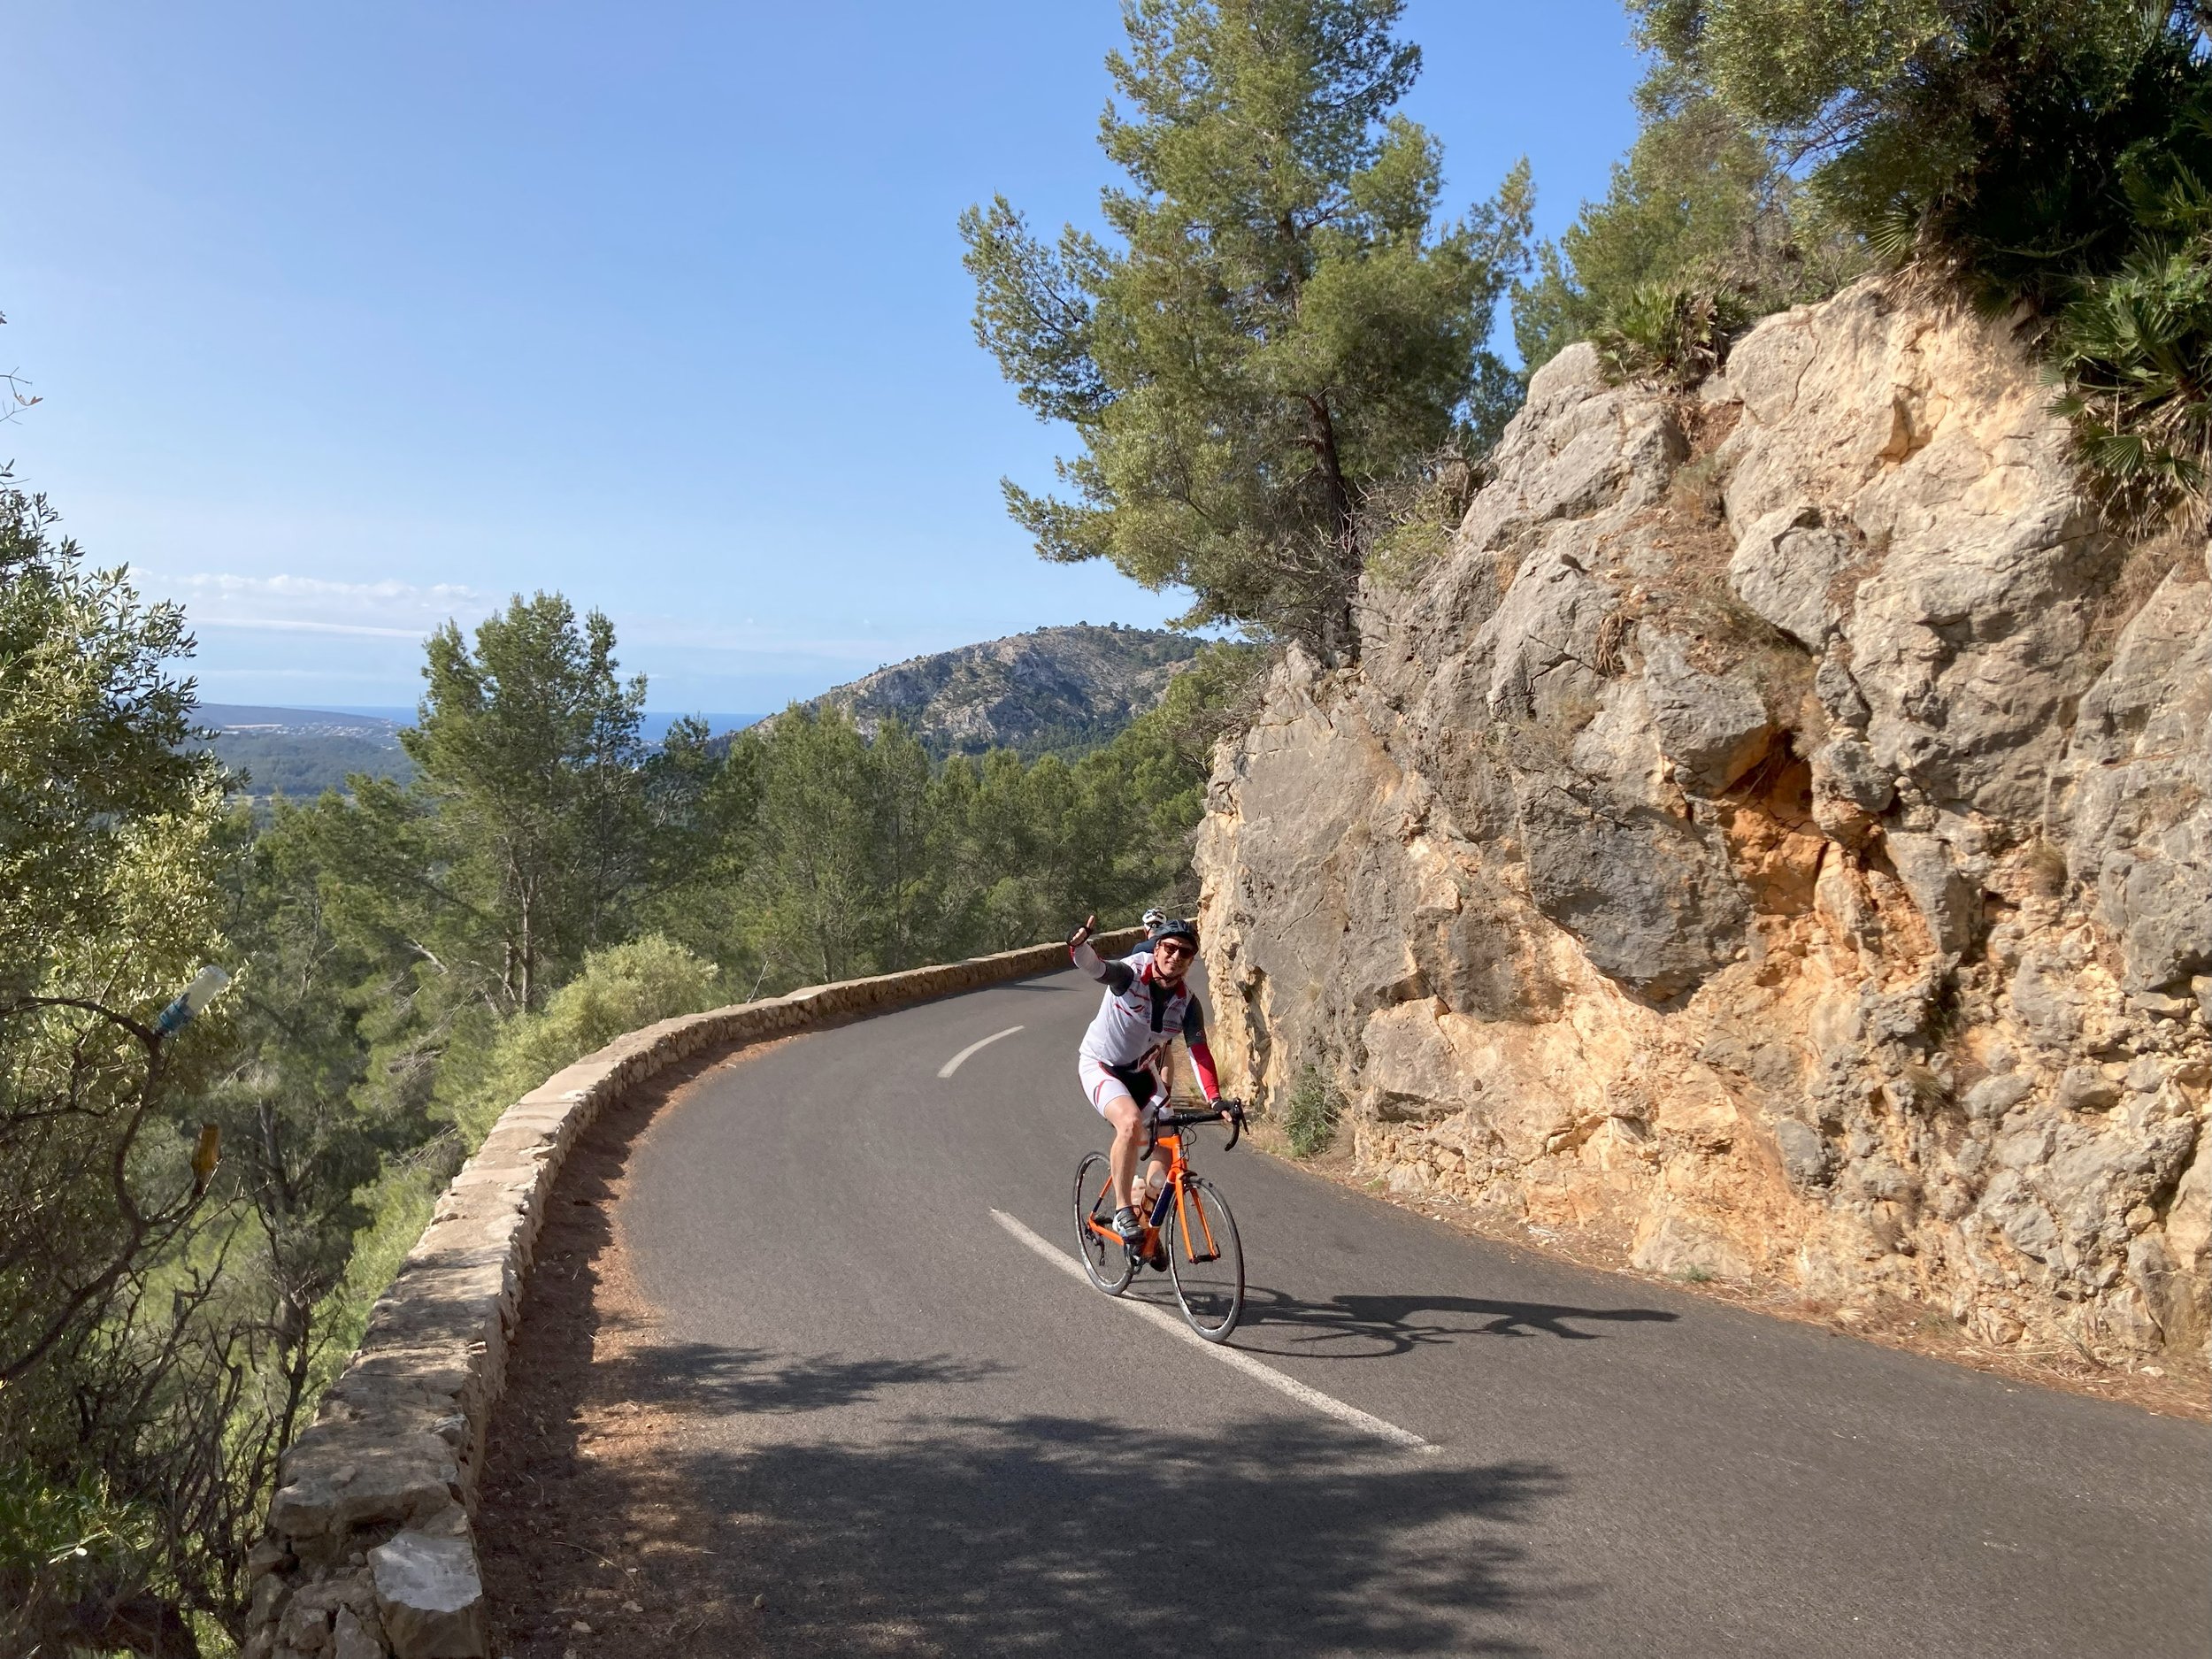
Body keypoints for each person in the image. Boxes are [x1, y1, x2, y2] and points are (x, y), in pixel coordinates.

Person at [1067, 911, 1225, 1251]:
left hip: (1141, 1072)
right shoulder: (1132, 974)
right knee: (1130, 1123)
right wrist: (1078, 946)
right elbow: (1098, 968)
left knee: (1171, 1140)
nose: (1175, 956)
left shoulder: (1186, 1003)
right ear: (1156, 949)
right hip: (1101, 1065)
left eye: (1185, 953)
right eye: (1169, 948)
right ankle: (1124, 1210)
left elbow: (1199, 1052)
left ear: (1191, 961)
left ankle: (1145, 1217)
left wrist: (1216, 1099)